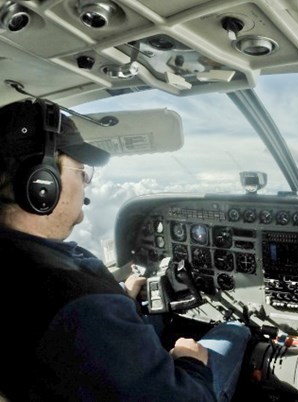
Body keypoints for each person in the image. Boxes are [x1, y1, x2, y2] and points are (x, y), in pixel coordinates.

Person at [0, 99, 250, 401]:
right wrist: (190, 362)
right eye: (81, 171)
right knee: (235, 329)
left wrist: (120, 296)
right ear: (42, 182)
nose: (87, 184)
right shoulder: (83, 306)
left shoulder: (22, 261)